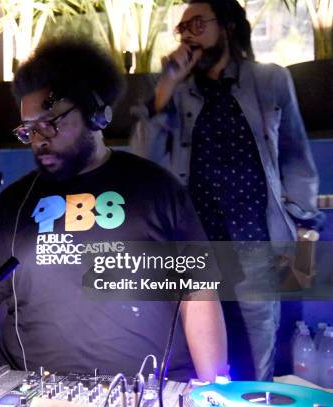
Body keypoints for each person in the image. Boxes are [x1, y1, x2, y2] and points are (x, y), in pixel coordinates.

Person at [0, 37, 227, 382]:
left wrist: (213, 386)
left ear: (96, 114)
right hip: (29, 387)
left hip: (147, 387)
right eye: (28, 130)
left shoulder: (158, 190)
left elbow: (198, 297)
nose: (39, 139)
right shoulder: (12, 206)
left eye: (50, 123)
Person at [131, 0, 324, 381]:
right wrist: (165, 89)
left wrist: (302, 232)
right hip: (194, 251)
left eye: (197, 23)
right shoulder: (174, 93)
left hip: (256, 247)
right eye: (182, 28)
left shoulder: (270, 80)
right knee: (200, 366)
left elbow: (296, 159)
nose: (187, 33)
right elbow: (142, 162)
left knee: (255, 362)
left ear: (229, 27)